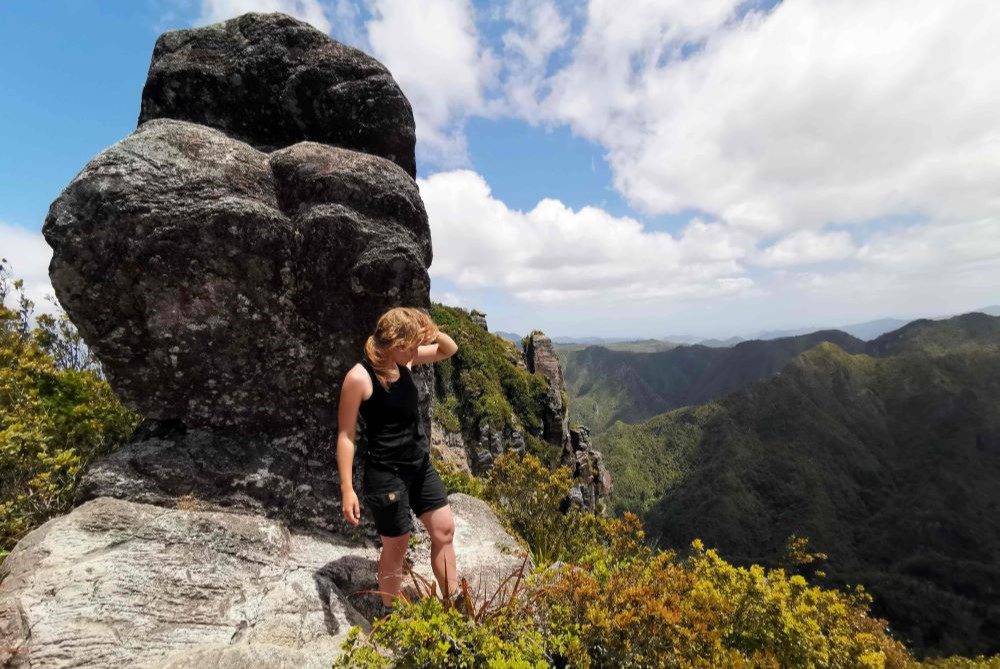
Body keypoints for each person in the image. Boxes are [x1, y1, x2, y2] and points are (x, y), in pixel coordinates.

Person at [337, 306, 460, 616]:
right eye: (412, 343)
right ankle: (390, 612)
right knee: (397, 545)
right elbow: (346, 436)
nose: (417, 349)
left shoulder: (404, 360)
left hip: (418, 465)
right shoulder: (359, 377)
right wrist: (347, 489)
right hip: (386, 474)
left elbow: (449, 348)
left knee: (444, 529)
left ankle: (453, 603)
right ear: (394, 343)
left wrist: (429, 330)